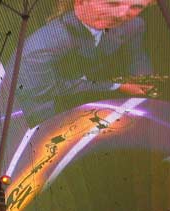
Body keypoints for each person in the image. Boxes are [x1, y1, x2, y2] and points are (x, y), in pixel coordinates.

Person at [13, 0, 155, 126]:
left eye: (136, 6)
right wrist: (118, 86)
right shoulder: (37, 52)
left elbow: (138, 59)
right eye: (111, 3)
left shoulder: (134, 26)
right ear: (80, 2)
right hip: (54, 113)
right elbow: (42, 113)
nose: (122, 14)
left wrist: (145, 82)